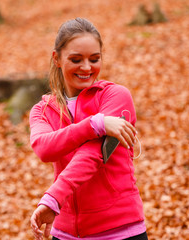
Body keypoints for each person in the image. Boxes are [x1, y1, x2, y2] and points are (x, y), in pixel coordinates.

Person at [29, 18, 148, 240]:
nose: (86, 67)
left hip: (119, 230)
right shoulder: (42, 110)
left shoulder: (116, 97)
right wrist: (96, 124)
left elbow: (92, 155)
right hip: (65, 233)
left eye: (94, 59)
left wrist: (53, 199)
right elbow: (44, 149)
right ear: (57, 58)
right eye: (76, 59)